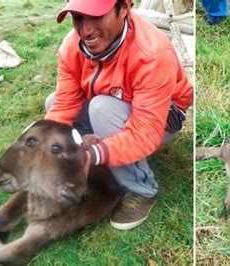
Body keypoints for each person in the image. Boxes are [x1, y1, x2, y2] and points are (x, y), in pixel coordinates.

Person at [44, 0, 193, 230]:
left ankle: (142, 189)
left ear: (124, 8)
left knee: (102, 109)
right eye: (78, 17)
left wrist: (91, 155)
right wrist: (43, 147)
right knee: (52, 104)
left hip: (162, 117)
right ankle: (104, 158)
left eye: (96, 16)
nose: (86, 30)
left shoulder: (152, 53)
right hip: (111, 104)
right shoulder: (72, 46)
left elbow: (145, 132)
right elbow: (64, 103)